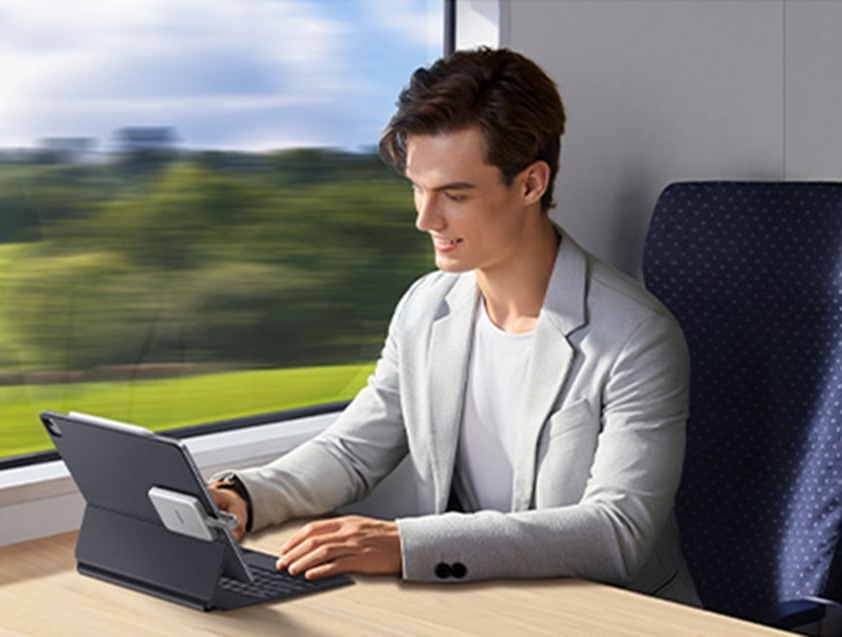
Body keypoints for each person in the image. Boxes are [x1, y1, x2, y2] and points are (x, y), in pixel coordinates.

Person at [209, 46, 700, 605]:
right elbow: (353, 451)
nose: (425, 218)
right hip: (494, 606)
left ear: (531, 184)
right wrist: (246, 494)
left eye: (455, 194)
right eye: (418, 188)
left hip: (617, 614)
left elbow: (616, 532)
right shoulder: (426, 308)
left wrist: (405, 543)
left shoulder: (636, 338)